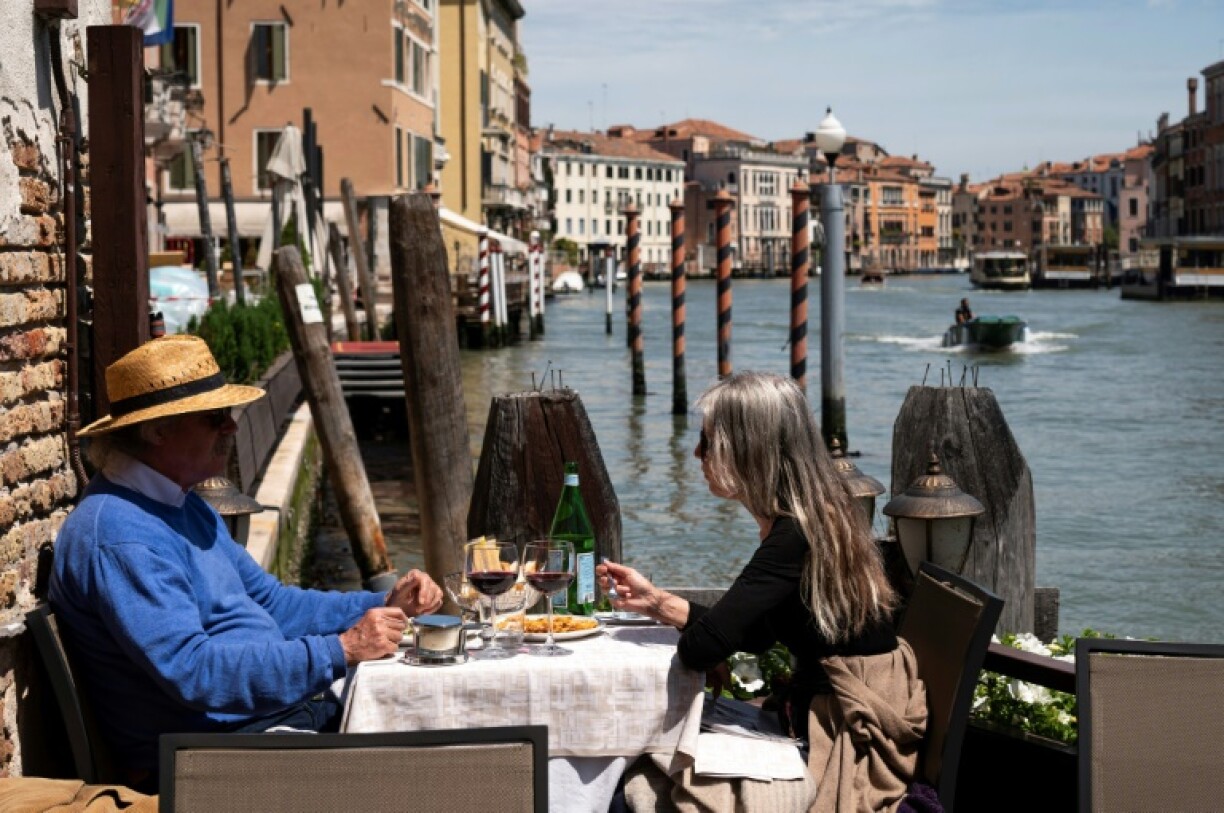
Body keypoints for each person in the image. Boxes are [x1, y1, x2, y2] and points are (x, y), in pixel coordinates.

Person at [49, 335, 442, 788]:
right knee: (438, 771)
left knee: (439, 718)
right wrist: (342, 650)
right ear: (157, 431)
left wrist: (384, 605)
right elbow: (195, 672)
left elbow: (273, 604)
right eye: (215, 417)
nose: (231, 428)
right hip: (207, 761)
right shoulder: (121, 536)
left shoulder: (180, 504)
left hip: (264, 724)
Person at [599, 371, 927, 812]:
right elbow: (756, 635)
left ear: (748, 448)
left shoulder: (794, 535)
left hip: (843, 732)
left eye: (707, 442)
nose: (697, 453)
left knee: (629, 786)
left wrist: (707, 644)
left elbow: (700, 649)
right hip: (834, 710)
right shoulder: (815, 516)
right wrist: (657, 603)